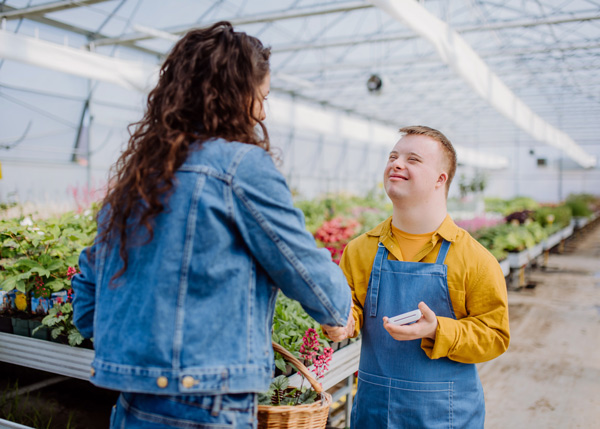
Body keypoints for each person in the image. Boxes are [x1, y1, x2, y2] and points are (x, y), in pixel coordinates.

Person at [71, 21, 353, 429]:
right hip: (205, 403)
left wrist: (138, 353)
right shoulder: (240, 167)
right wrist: (337, 310)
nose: (263, 111)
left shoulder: (140, 176)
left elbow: (88, 293)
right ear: (239, 96)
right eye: (262, 97)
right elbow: (304, 269)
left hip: (132, 403)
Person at [323, 125, 510, 428]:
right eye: (393, 156)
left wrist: (438, 329)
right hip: (374, 412)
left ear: (440, 179)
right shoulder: (360, 250)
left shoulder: (475, 259)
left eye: (413, 159)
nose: (396, 163)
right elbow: (353, 309)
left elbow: (495, 337)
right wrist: (344, 323)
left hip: (445, 415)